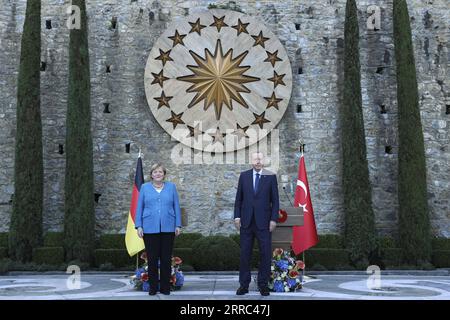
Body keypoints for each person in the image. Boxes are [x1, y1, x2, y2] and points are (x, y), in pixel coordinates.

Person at [234, 152, 279, 296]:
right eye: (255, 159)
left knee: (265, 254)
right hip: (246, 222)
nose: (258, 161)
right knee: (244, 254)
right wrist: (237, 217)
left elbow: (275, 201)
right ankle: (243, 285)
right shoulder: (244, 176)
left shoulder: (271, 177)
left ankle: (263, 285)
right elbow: (238, 199)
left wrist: (273, 219)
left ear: (264, 160)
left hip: (264, 223)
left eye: (260, 158)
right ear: (251, 161)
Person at [135, 163, 182, 295]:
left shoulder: (171, 187)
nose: (158, 174)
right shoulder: (144, 187)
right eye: (155, 172)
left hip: (168, 226)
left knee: (166, 258)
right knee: (152, 259)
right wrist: (139, 225)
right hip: (149, 227)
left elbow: (176, 206)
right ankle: (153, 288)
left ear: (164, 174)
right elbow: (140, 207)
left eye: (160, 172)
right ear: (151, 174)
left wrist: (177, 224)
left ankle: (166, 288)